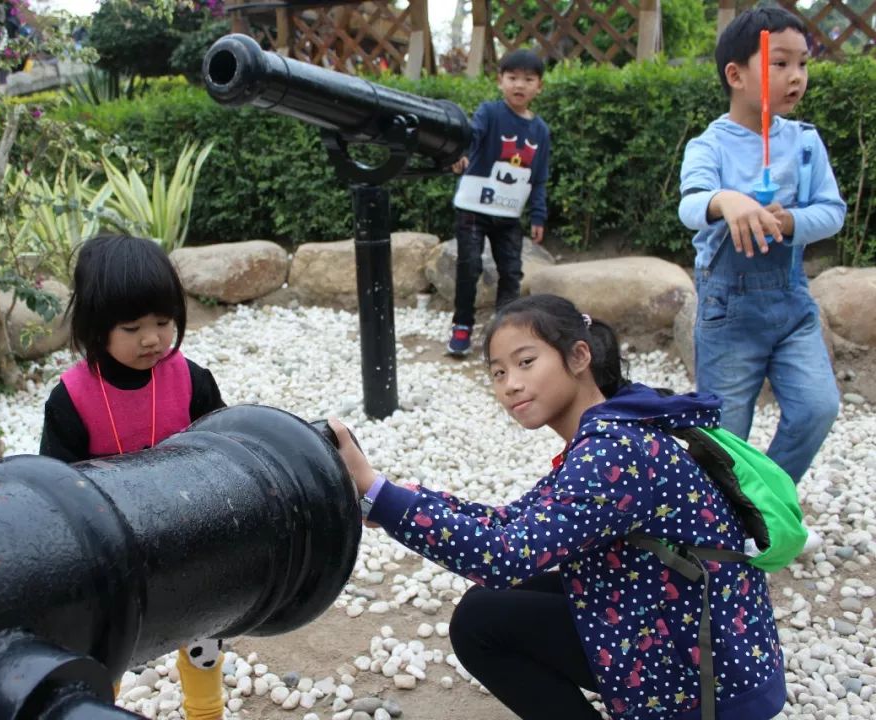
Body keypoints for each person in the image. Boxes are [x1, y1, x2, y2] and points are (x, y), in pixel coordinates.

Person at [332, 294, 786, 720]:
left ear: (579, 357)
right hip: (699, 637)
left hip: (709, 680)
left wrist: (381, 494)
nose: (511, 385)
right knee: (497, 600)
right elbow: (513, 521)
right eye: (498, 373)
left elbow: (507, 555)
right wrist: (394, 496)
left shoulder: (613, 450)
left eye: (526, 362)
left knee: (479, 622)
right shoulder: (617, 423)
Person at [40, 234, 227, 720]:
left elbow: (229, 454)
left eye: (164, 322)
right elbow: (55, 493)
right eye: (132, 327)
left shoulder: (191, 380)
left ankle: (205, 712)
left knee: (203, 634)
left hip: (193, 538)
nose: (152, 339)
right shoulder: (72, 401)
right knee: (107, 648)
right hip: (115, 555)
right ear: (95, 326)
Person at [678, 7, 845, 488]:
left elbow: (831, 212)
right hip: (727, 309)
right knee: (727, 435)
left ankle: (767, 500)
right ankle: (719, 524)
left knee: (818, 407)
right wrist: (726, 201)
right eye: (781, 64)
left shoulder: (805, 144)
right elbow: (690, 205)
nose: (797, 77)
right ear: (736, 74)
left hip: (791, 304)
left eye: (803, 64)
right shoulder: (709, 145)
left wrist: (790, 220)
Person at [446, 49, 550, 357]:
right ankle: (462, 325)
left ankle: (505, 331)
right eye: (512, 77)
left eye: (528, 79)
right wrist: (459, 153)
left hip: (508, 213)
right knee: (469, 266)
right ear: (500, 81)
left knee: (512, 271)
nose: (520, 85)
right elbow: (472, 136)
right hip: (473, 207)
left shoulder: (540, 131)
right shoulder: (489, 113)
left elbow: (539, 177)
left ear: (539, 86)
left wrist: (538, 216)